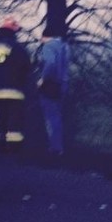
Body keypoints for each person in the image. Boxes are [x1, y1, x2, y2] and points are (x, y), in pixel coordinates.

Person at [0, 17, 31, 153]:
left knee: (1, 117)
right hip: (14, 90)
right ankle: (14, 149)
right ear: (12, 32)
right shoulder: (16, 47)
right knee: (14, 120)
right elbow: (26, 65)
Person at [37, 27, 70, 156]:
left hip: (50, 85)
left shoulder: (48, 46)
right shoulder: (64, 47)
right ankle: (59, 147)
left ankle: (54, 148)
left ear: (45, 36)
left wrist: (42, 79)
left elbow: (50, 64)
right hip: (62, 85)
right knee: (57, 117)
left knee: (50, 118)